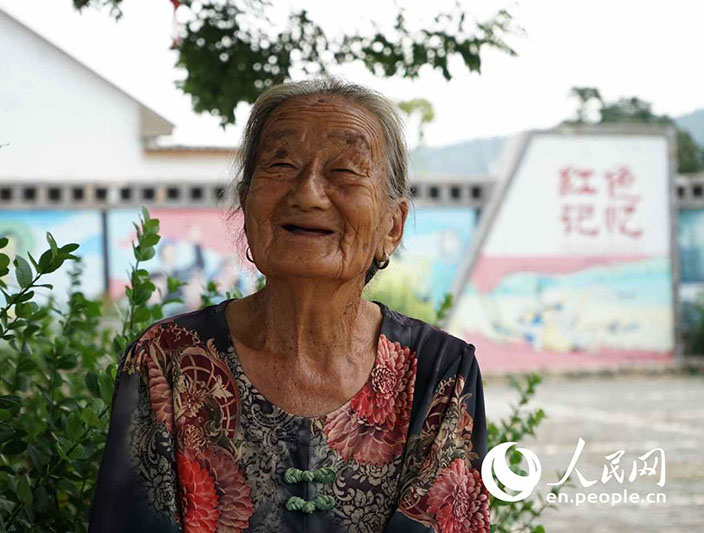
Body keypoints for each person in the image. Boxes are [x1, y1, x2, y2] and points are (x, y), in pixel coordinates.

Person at [89, 77, 490, 533]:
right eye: (280, 165)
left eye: (345, 171)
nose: (308, 194)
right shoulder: (169, 359)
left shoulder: (440, 371)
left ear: (392, 226)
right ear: (246, 205)